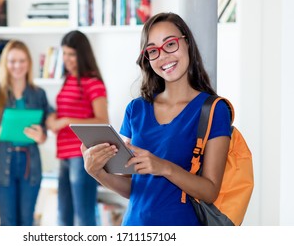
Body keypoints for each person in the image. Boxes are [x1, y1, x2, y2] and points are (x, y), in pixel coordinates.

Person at [81, 12, 232, 226]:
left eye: (170, 44)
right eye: (153, 50)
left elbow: (210, 191)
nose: (163, 56)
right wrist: (97, 172)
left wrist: (163, 167)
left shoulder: (214, 110)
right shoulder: (136, 109)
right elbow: (133, 189)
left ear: (187, 43)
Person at [0, 40, 53, 226]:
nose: (17, 66)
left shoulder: (39, 94)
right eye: (12, 61)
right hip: (1, 163)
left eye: (22, 61)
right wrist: (5, 131)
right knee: (8, 222)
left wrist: (41, 136)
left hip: (30, 165)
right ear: (5, 63)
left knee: (26, 221)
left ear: (29, 63)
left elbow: (45, 131)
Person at [46, 30, 109, 226]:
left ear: (82, 55)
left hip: (81, 154)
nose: (67, 59)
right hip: (64, 154)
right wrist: (52, 119)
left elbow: (103, 121)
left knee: (84, 217)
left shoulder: (93, 82)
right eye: (64, 53)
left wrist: (66, 121)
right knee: (63, 215)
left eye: (71, 54)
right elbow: (65, 110)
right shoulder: (68, 80)